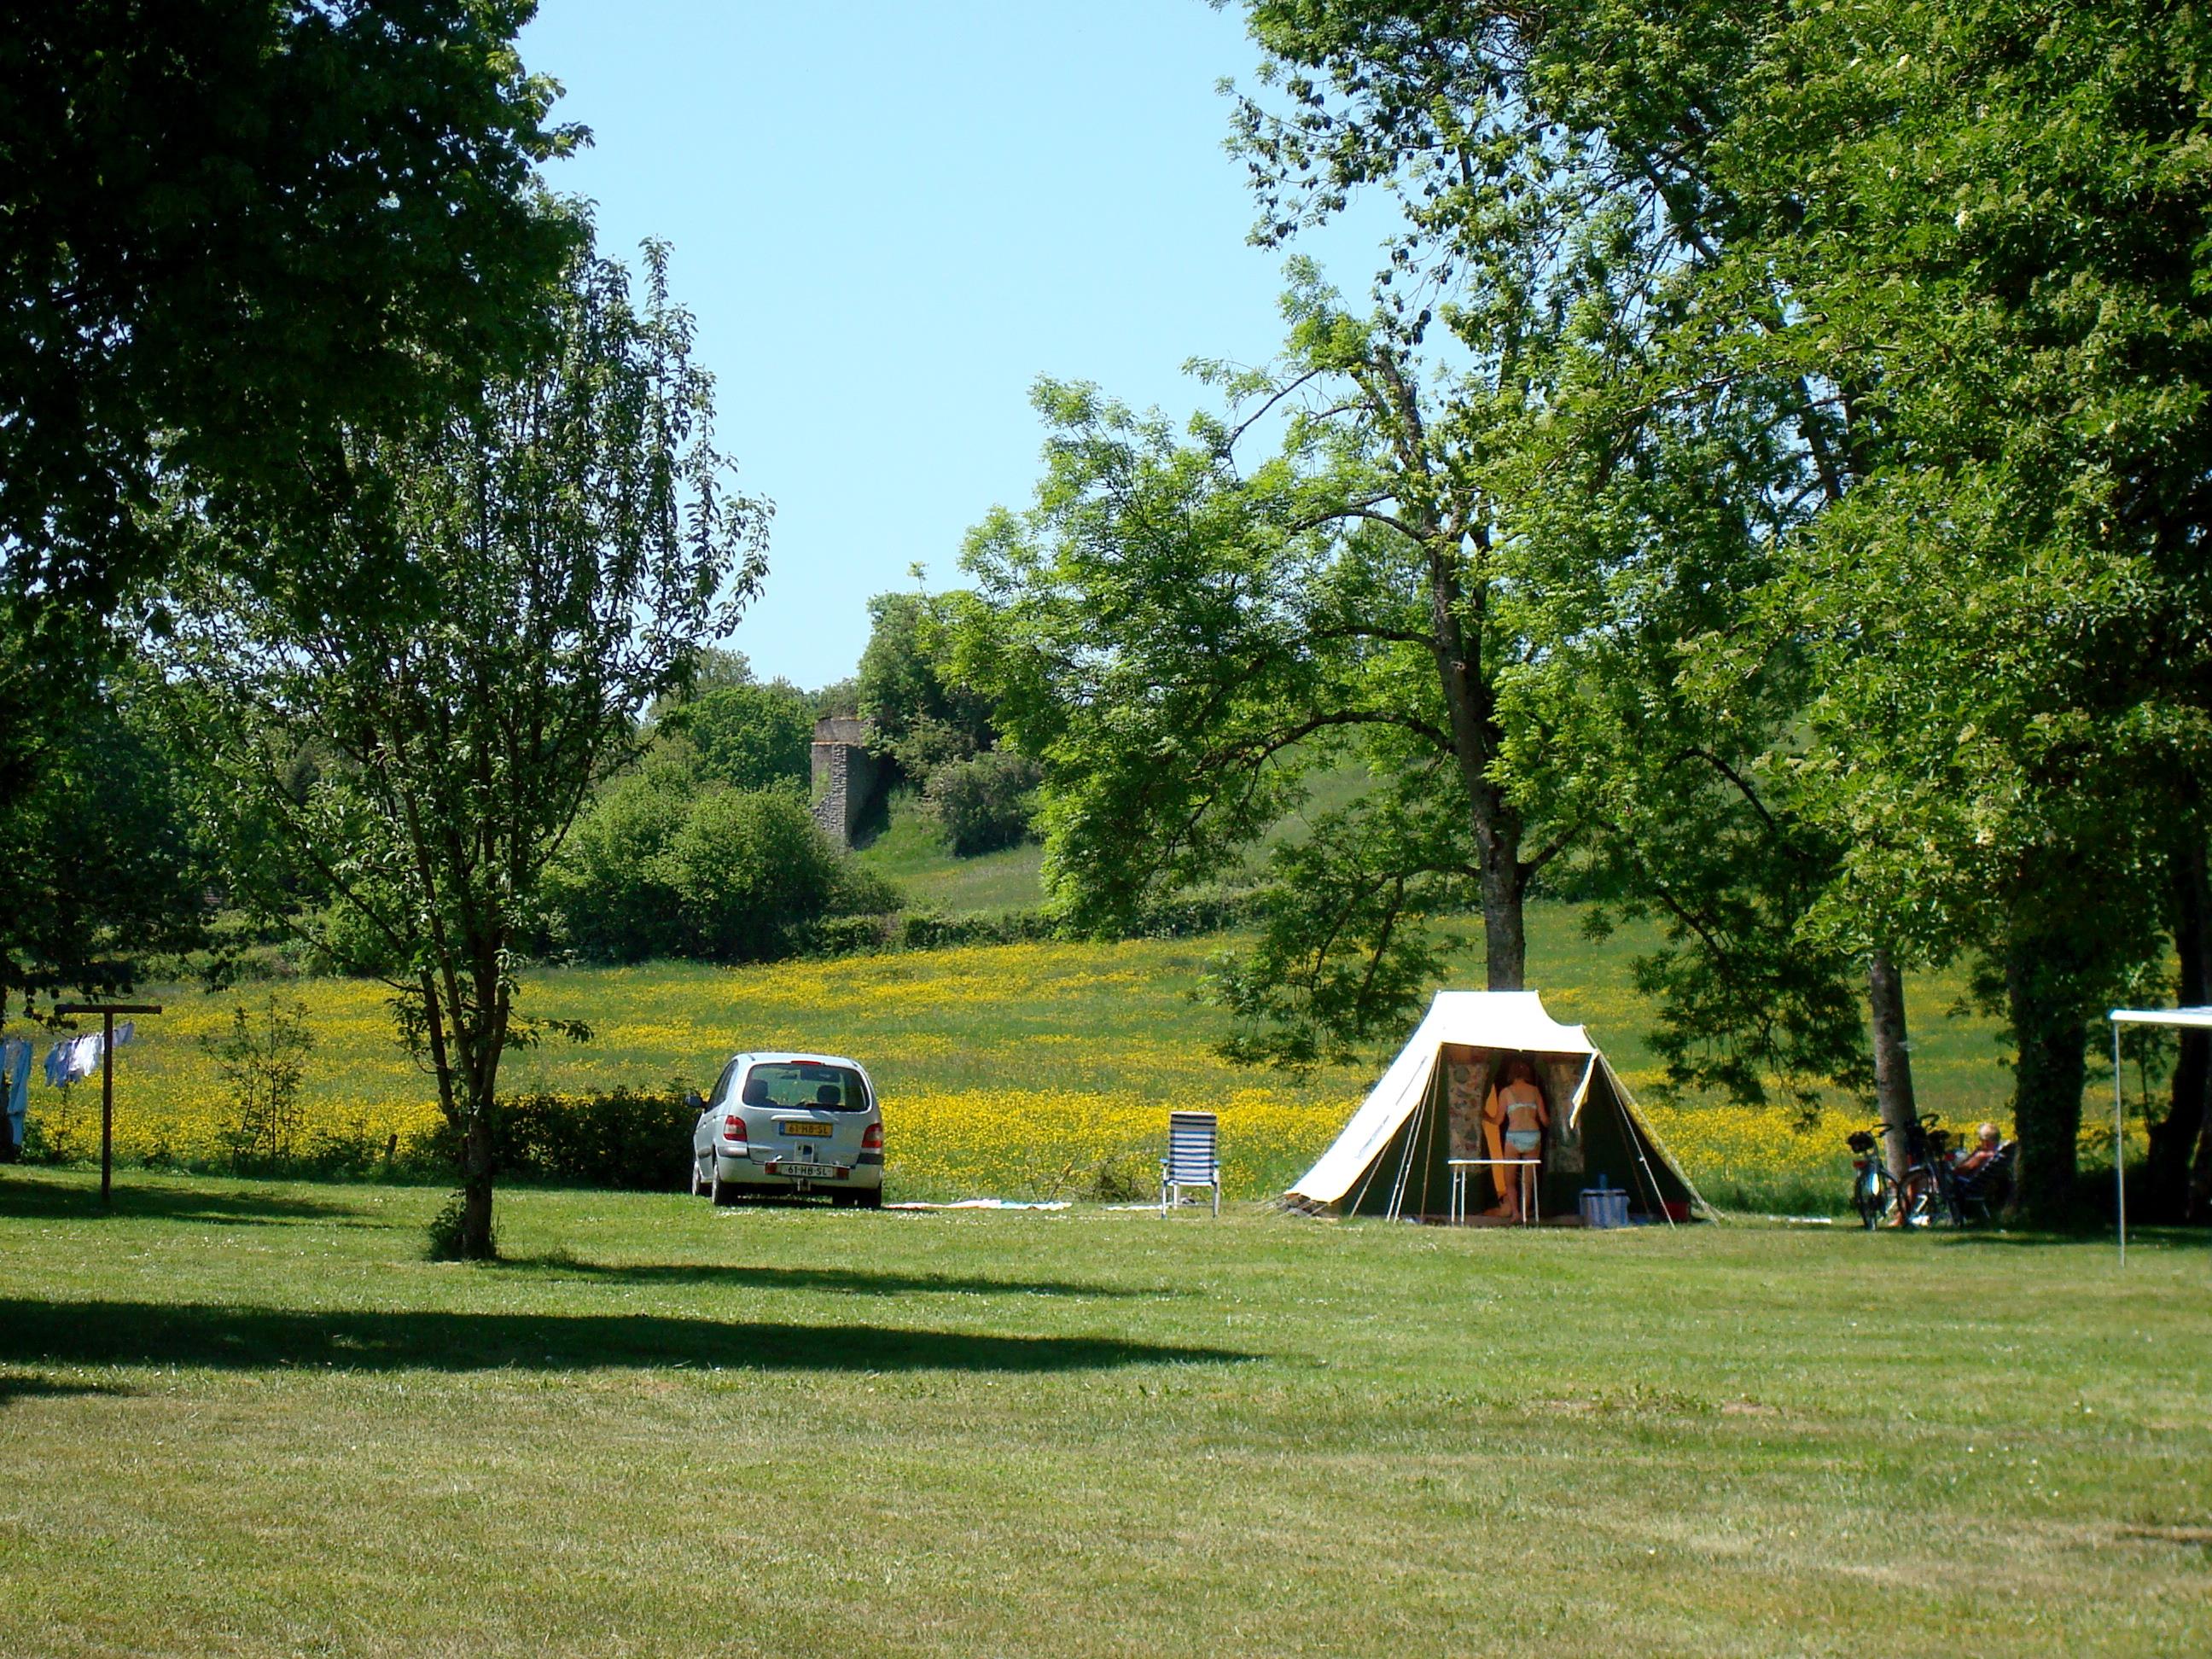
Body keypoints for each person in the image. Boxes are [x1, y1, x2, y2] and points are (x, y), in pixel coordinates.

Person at [1481, 1056, 1550, 1220]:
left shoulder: (1506, 1092)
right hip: (1533, 1135)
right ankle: (1526, 1212)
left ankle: (1515, 1213)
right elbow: (1545, 1120)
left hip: (1514, 1135)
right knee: (1528, 1179)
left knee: (1510, 1180)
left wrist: (1484, 1116)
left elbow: (1498, 1120)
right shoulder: (1535, 1091)